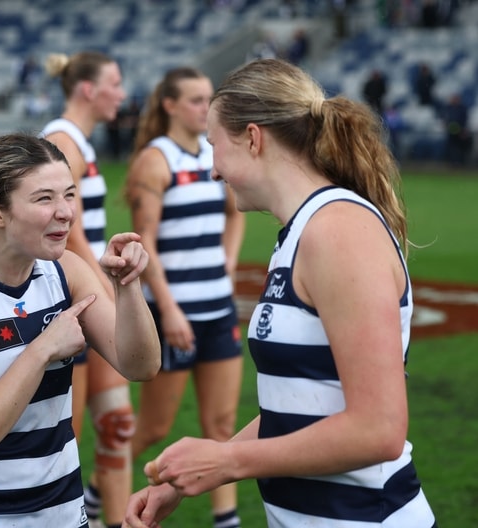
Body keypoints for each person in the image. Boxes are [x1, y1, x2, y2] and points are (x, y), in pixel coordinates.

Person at [125, 58, 437, 528]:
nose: (213, 171)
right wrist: (197, 473)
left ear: (253, 138)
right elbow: (295, 410)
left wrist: (226, 463)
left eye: (215, 147)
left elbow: (379, 430)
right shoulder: (301, 231)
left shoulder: (338, 233)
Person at [0, 133, 161, 527]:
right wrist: (41, 351)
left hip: (65, 513)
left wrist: (127, 290)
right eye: (44, 198)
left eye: (70, 195)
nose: (66, 212)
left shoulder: (66, 271)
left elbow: (141, 365)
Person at [124, 67, 245, 528]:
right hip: (174, 314)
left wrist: (227, 265)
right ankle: (106, 489)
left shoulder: (217, 155)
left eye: (207, 99)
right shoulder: (156, 161)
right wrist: (169, 309)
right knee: (154, 428)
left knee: (222, 424)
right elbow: (144, 242)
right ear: (169, 106)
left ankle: (226, 518)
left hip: (218, 309)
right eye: (195, 100)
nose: (205, 107)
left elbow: (236, 215)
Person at [40, 51, 133, 528]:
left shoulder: (77, 142)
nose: (122, 91)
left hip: (86, 296)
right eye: (114, 82)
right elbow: (70, 238)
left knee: (117, 427)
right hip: (74, 304)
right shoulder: (63, 142)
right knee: (69, 434)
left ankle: (100, 514)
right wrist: (107, 298)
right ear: (87, 90)